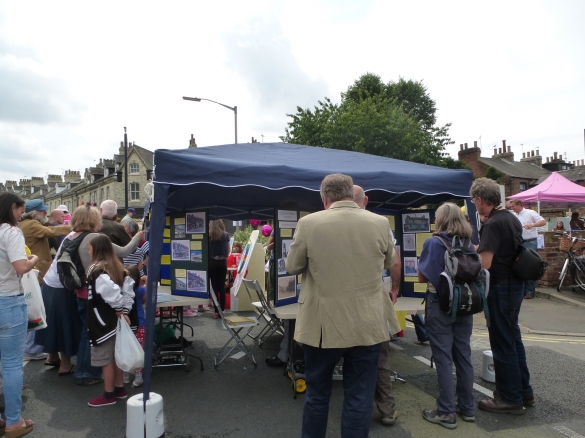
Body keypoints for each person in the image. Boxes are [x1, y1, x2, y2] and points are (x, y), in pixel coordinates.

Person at [285, 174, 396, 438]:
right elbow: (388, 261)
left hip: (322, 326)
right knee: (359, 397)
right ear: (351, 193)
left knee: (318, 395)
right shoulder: (379, 223)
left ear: (324, 198)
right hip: (367, 325)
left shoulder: (309, 223)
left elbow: (292, 266)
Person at [471, 178, 533, 415]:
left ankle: (509, 399)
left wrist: (470, 259)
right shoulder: (510, 218)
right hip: (515, 285)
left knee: (502, 343)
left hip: (500, 287)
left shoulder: (493, 223)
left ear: (479, 199)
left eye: (475, 202)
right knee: (513, 339)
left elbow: (485, 263)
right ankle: (524, 391)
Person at [418, 202, 477, 429]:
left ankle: (445, 412)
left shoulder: (434, 242)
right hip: (465, 304)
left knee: (443, 358)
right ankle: (468, 407)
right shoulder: (468, 243)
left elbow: (424, 277)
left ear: (440, 220)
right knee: (463, 355)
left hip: (440, 304)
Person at [353, 185, 401, 427]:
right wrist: (395, 288)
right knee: (379, 357)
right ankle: (387, 410)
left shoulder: (331, 223)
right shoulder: (380, 224)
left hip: (343, 302)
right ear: (366, 200)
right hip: (373, 298)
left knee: (345, 355)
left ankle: (355, 412)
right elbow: (394, 262)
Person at [0, 192, 37, 437]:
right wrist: (33, 258)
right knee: (12, 365)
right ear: (12, 208)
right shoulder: (10, 232)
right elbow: (21, 266)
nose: (21, 216)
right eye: (20, 211)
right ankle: (13, 420)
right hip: (8, 301)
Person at [86, 234, 135, 407]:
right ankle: (119, 388)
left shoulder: (97, 269)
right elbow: (129, 292)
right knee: (116, 355)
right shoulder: (119, 267)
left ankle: (108, 394)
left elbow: (112, 292)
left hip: (102, 322)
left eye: (90, 247)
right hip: (115, 321)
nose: (88, 250)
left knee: (106, 358)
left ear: (97, 249)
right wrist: (124, 311)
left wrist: (120, 310)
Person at [19, 199, 71, 284]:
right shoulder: (32, 224)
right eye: (42, 211)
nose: (46, 212)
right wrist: (73, 227)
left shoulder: (25, 223)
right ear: (33, 213)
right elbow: (51, 231)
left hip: (35, 267)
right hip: (39, 268)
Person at [510, 200, 546, 299]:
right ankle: (522, 290)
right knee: (519, 266)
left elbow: (543, 222)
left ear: (519, 205)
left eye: (513, 206)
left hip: (530, 242)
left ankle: (530, 291)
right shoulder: (514, 215)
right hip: (519, 243)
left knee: (531, 266)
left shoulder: (530, 213)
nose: (512, 208)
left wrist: (532, 225)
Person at [124, 265, 145, 388]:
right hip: (140, 324)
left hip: (127, 325)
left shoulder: (121, 291)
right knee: (139, 352)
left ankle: (125, 375)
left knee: (126, 350)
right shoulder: (140, 290)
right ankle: (138, 377)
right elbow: (145, 299)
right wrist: (144, 283)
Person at [208, 220, 230, 319]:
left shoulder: (209, 235)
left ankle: (216, 312)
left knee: (215, 288)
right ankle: (223, 311)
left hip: (212, 262)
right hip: (222, 263)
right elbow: (228, 250)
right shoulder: (225, 235)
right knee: (222, 288)